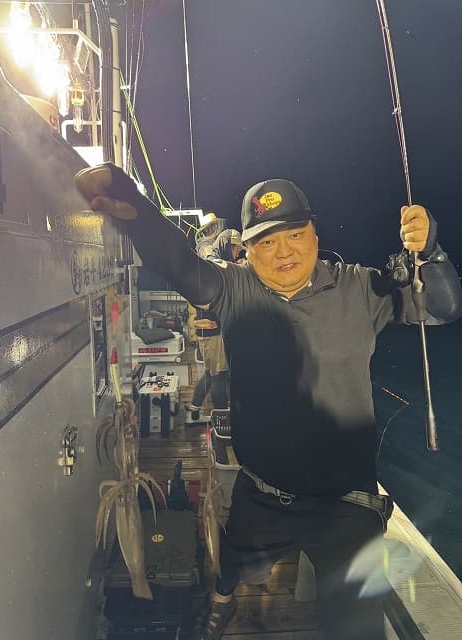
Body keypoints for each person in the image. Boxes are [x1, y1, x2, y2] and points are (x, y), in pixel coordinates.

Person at [75, 164, 462, 640]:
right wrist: (133, 208)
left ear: (314, 232)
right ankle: (222, 601)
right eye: (266, 241)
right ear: (248, 249)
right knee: (238, 565)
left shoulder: (361, 287)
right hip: (264, 492)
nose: (283, 251)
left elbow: (443, 308)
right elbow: (181, 265)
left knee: (355, 626)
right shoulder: (235, 290)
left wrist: (431, 253)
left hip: (347, 503)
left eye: (295, 234)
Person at [185, 228, 243, 422]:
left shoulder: (217, 266)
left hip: (210, 332)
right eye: (236, 249)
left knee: (211, 373)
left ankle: (194, 406)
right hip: (212, 332)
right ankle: (223, 418)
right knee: (219, 376)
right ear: (227, 246)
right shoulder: (215, 267)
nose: (238, 254)